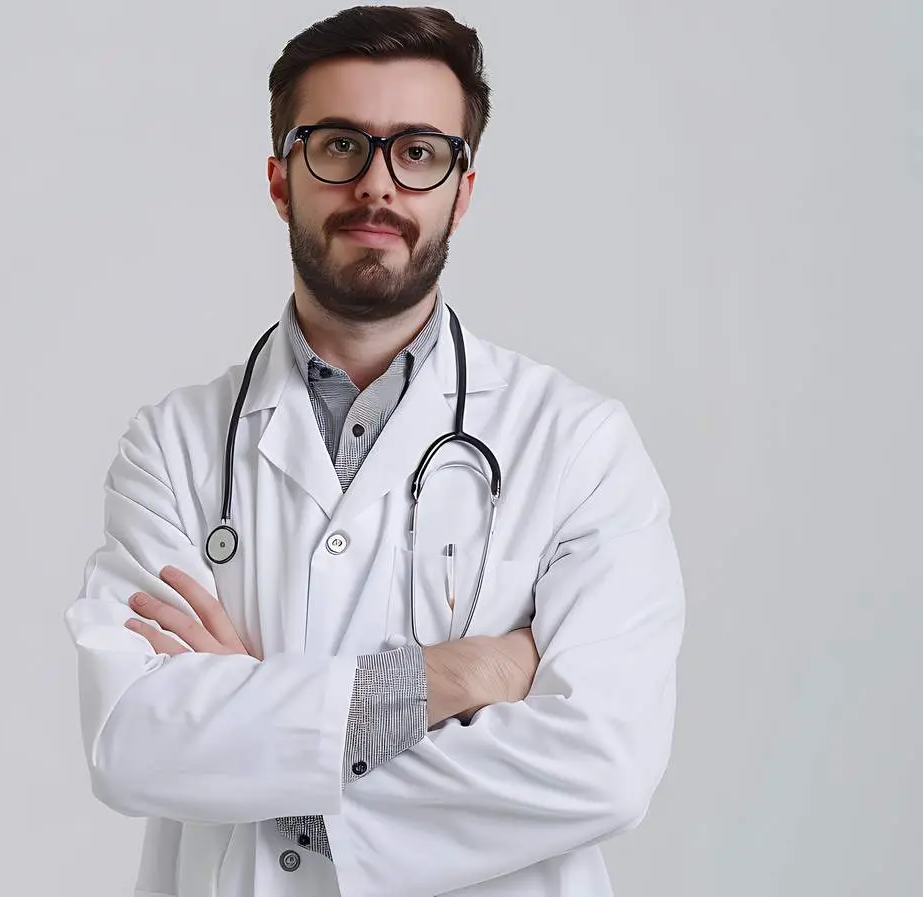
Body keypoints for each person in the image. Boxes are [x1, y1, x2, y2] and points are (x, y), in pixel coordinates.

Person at [61, 6, 684, 896]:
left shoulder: (578, 445)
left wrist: (263, 751)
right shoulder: (174, 447)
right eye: (340, 146)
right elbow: (129, 738)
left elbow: (605, 763)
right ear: (282, 180)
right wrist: (454, 675)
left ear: (461, 191)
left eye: (419, 152)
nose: (378, 187)